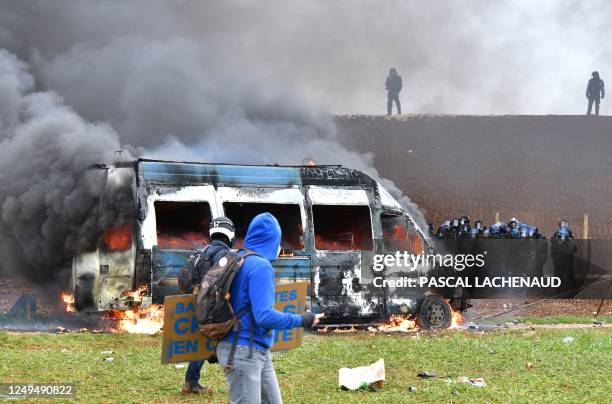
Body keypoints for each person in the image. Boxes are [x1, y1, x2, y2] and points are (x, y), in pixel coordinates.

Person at [217, 212, 323, 404]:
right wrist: (302, 319)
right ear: (272, 240)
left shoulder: (239, 257)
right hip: (243, 351)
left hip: (255, 350)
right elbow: (264, 316)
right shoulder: (261, 266)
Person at [181, 216, 236, 395]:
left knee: (205, 342)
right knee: (232, 339)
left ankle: (191, 381)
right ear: (229, 234)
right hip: (217, 308)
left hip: (201, 306)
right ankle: (242, 380)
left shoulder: (202, 252)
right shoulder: (227, 255)